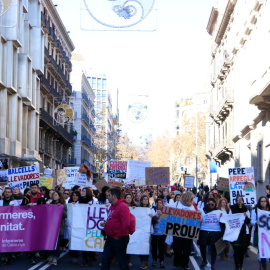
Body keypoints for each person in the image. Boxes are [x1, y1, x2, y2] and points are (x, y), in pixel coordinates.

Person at [101, 188, 130, 270]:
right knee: (105, 259)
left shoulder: (123, 206)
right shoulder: (112, 206)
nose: (107, 197)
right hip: (110, 238)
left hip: (119, 238)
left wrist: (118, 236)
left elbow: (126, 224)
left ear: (114, 196)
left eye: (109, 195)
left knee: (121, 261)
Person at [173, 191, 195, 270]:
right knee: (178, 248)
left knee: (187, 248)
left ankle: (185, 264)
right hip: (177, 229)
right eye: (191, 198)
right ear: (187, 197)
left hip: (188, 230)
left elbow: (194, 216)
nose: (192, 200)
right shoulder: (176, 204)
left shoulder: (192, 206)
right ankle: (177, 263)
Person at [199, 198, 222, 270]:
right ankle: (204, 260)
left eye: (212, 204)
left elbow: (223, 221)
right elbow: (198, 219)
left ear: (215, 204)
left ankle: (213, 264)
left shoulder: (219, 211)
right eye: (209, 204)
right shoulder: (202, 210)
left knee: (214, 248)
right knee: (202, 246)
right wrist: (200, 220)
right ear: (207, 204)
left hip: (215, 231)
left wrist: (222, 217)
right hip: (204, 230)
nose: (211, 205)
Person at [229, 195, 251, 270]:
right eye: (238, 199)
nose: (239, 201)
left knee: (241, 250)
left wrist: (246, 216)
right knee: (236, 250)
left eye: (241, 199)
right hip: (235, 232)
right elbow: (229, 219)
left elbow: (248, 222)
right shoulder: (232, 209)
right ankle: (236, 266)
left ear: (243, 201)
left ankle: (241, 265)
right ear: (236, 201)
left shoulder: (246, 209)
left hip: (243, 233)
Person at [47, 191, 67, 266]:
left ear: (59, 196)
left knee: (57, 243)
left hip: (59, 227)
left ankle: (55, 257)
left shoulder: (63, 204)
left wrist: (60, 208)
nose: (54, 196)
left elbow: (65, 215)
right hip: (50, 227)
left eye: (56, 195)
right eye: (53, 195)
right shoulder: (49, 203)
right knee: (50, 242)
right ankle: (51, 255)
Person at [251, 196, 270, 270]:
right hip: (260, 233)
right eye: (261, 201)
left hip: (269, 233)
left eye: (264, 201)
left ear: (267, 202)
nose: (263, 203)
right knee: (262, 250)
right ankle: (264, 266)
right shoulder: (255, 210)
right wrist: (256, 222)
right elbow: (252, 221)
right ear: (259, 202)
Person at [151, 198, 166, 268]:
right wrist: (156, 216)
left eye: (160, 203)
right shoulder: (153, 210)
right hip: (154, 232)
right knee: (154, 248)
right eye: (157, 203)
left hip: (162, 232)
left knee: (161, 248)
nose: (159, 204)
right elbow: (152, 221)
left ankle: (161, 261)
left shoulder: (165, 211)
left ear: (162, 204)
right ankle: (154, 260)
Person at [139, 195, 152, 269]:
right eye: (144, 199)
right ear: (141, 201)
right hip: (140, 231)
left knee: (146, 247)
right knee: (141, 246)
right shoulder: (138, 209)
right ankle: (142, 262)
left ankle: (146, 262)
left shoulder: (151, 209)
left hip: (148, 231)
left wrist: (152, 217)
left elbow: (154, 221)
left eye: (147, 199)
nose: (145, 201)